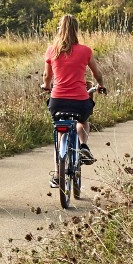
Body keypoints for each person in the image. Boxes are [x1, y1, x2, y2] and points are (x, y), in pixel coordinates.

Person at [44, 13, 105, 168]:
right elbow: (97, 73)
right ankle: (83, 145)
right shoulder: (85, 51)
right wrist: (100, 84)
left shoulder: (52, 50)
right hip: (80, 101)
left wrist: (46, 85)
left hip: (58, 101)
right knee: (83, 121)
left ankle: (58, 174)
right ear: (76, 30)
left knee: (60, 132)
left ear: (59, 29)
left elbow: (46, 76)